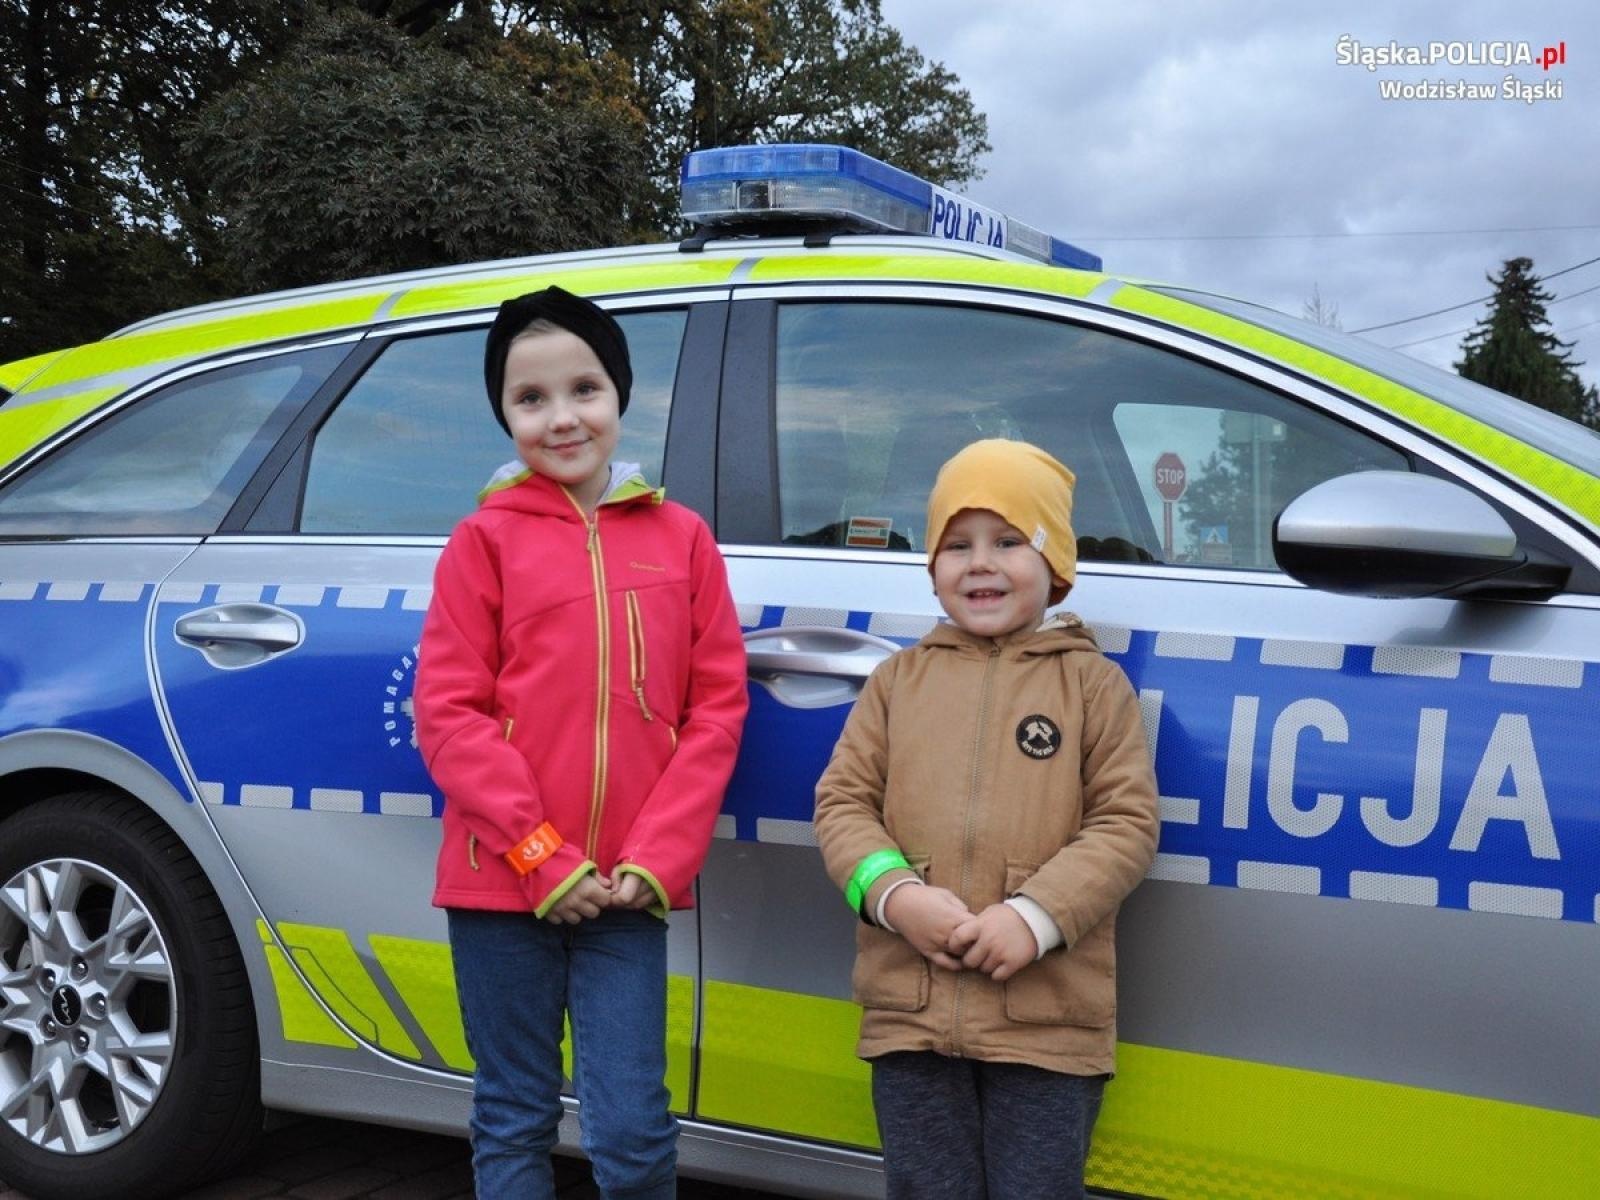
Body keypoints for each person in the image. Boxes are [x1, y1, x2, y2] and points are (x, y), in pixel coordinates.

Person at [414, 286, 748, 1199]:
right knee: (514, 1116)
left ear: (620, 395)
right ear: (504, 413)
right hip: (502, 884)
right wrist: (537, 853)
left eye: (584, 389)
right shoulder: (479, 544)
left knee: (635, 1129)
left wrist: (659, 860)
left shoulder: (683, 542)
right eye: (531, 399)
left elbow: (716, 713)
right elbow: (448, 716)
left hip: (627, 892)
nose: (562, 418)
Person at [813, 438, 1159, 1200]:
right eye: (957, 544)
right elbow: (842, 806)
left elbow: (1126, 823)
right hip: (912, 1017)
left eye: (1008, 541)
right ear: (932, 565)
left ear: (1055, 564)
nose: (980, 563)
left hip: (1046, 1027)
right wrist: (896, 897)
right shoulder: (897, 682)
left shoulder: (1093, 687)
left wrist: (1034, 919)